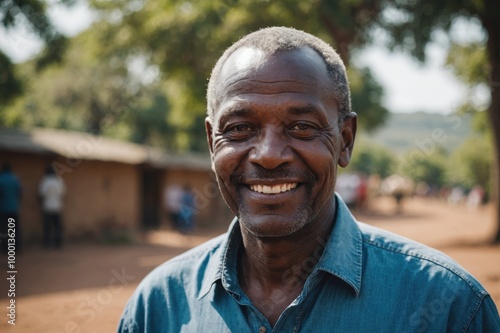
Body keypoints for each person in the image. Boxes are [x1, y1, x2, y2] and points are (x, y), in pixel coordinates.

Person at [118, 27, 500, 332]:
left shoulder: (450, 307)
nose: (268, 154)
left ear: (345, 141)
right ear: (211, 142)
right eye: (239, 128)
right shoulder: (158, 307)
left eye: (302, 127)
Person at [38, 165, 65, 249]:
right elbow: (62, 192)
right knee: (57, 226)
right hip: (57, 206)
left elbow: (41, 193)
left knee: (47, 227)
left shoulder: (44, 181)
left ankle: (47, 244)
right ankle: (58, 244)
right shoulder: (59, 181)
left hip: (47, 207)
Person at [0, 162, 22, 253]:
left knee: (3, 229)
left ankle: (4, 247)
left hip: (3, 208)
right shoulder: (15, 179)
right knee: (14, 229)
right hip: (14, 208)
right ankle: (15, 247)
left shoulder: (1, 179)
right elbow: (19, 193)